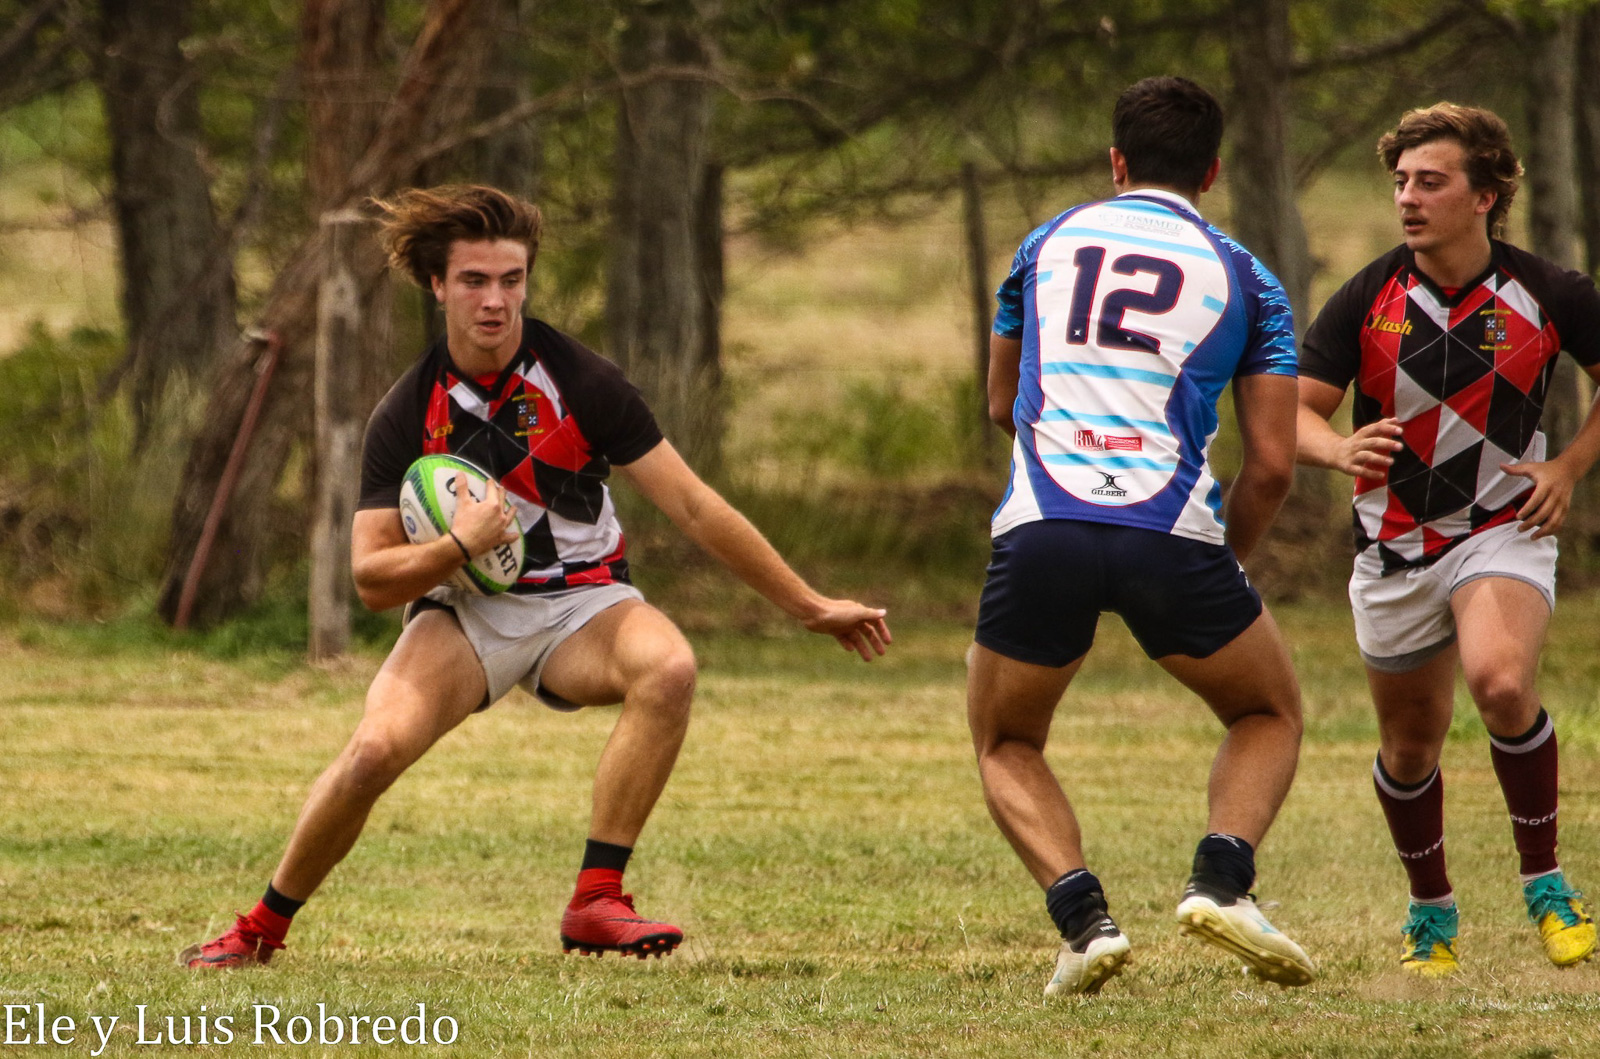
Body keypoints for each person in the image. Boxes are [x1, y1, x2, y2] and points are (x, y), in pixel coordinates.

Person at [181, 184, 891, 968]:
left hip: (587, 603)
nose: (496, 301)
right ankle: (259, 929)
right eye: (476, 281)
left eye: (511, 279)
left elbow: (692, 504)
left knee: (670, 667)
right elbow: (374, 579)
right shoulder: (407, 412)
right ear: (437, 285)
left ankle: (596, 900)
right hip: (466, 615)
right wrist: (459, 545)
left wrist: (809, 604)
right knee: (372, 752)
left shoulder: (583, 381)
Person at [967, 76, 1314, 998]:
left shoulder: (1045, 244)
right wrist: (1219, 555)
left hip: (1046, 525)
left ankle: (1084, 921)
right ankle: (1222, 880)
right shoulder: (1250, 278)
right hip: (1175, 536)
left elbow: (1001, 402)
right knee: (1267, 712)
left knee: (1005, 739)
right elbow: (1274, 465)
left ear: (1116, 162)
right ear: (1213, 170)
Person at [1297, 103, 1600, 977]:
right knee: (1411, 745)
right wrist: (1337, 449)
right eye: (1400, 181)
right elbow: (1295, 416)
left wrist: (1570, 466)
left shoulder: (1550, 293)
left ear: (1486, 195)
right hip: (1392, 546)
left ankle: (1547, 884)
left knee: (1502, 683)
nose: (1408, 198)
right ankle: (1431, 912)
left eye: (1430, 181)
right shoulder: (1369, 295)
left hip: (1501, 528)